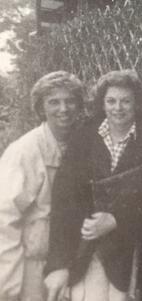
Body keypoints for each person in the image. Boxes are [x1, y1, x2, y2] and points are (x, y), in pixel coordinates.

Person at [44, 70, 142, 301]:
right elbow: (64, 202)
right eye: (111, 101)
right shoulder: (83, 140)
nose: (118, 108)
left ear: (137, 105)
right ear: (102, 104)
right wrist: (58, 264)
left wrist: (117, 220)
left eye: (126, 101)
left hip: (130, 252)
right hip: (86, 250)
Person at [0, 71, 85, 301]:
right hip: (30, 264)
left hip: (69, 261)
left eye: (70, 101)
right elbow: (5, 219)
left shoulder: (82, 144)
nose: (63, 109)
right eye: (54, 102)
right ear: (41, 108)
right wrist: (7, 286)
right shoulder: (24, 152)